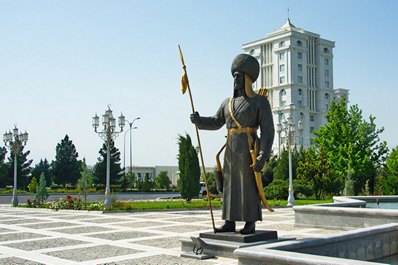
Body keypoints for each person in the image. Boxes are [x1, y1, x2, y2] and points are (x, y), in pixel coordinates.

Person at [190, 54, 274, 234]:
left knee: (248, 184)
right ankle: (229, 221)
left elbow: (268, 130)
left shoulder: (259, 102)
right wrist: (199, 121)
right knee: (229, 185)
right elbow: (215, 121)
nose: (235, 79)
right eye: (234, 76)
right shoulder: (227, 103)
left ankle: (250, 222)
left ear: (248, 79)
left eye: (239, 76)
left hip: (249, 149)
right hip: (230, 149)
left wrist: (263, 155)